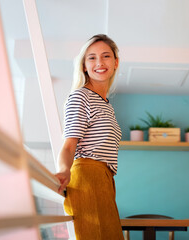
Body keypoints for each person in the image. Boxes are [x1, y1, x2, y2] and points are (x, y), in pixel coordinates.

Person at [55, 34, 124, 240]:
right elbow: (69, 145)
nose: (99, 63)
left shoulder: (105, 104)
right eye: (91, 58)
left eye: (106, 56)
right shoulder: (80, 96)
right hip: (87, 178)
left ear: (115, 62)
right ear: (84, 65)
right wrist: (63, 170)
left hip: (104, 180)